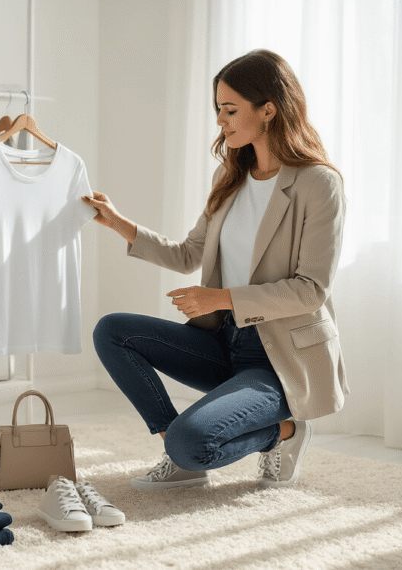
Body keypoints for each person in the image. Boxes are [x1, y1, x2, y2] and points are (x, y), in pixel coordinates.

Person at [82, 49, 347, 490]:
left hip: (279, 359)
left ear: (268, 110)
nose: (220, 122)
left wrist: (221, 298)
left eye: (229, 110)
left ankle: (285, 431)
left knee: (194, 442)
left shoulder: (319, 183)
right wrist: (118, 224)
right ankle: (177, 448)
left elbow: (310, 289)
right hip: (226, 342)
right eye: (217, 111)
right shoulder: (231, 177)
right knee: (112, 331)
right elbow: (189, 253)